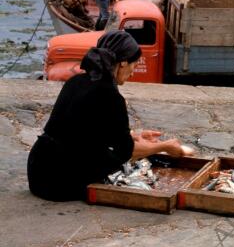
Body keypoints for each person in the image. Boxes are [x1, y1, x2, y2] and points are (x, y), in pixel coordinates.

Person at [27, 31, 190, 201]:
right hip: (61, 181)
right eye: (134, 64)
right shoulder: (111, 96)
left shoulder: (75, 81)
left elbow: (85, 130)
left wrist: (134, 136)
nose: (133, 72)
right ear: (123, 63)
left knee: (109, 154)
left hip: (38, 168)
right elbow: (127, 151)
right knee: (116, 160)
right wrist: (165, 146)